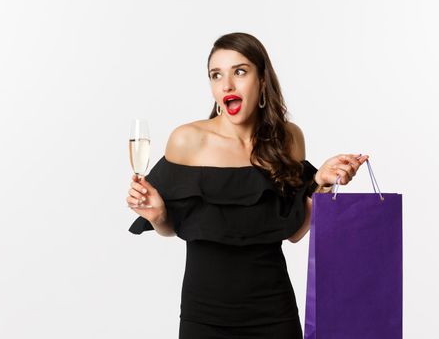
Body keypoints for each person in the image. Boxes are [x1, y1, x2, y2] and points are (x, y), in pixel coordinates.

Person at [126, 32, 369, 339]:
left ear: (262, 80)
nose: (226, 85)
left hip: (274, 312)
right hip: (204, 316)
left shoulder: (288, 139)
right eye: (216, 75)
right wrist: (158, 214)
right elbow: (169, 227)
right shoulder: (187, 140)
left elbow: (293, 231)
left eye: (239, 72)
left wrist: (320, 184)